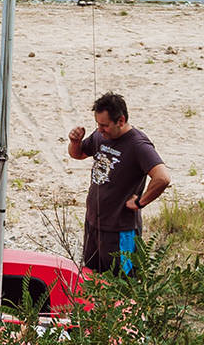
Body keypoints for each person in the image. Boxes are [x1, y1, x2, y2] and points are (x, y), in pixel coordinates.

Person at [66, 92, 171, 275]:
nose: (100, 129)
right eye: (98, 124)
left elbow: (162, 178)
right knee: (91, 278)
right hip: (94, 225)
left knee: (123, 282)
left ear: (120, 120)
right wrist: (75, 142)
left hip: (121, 231)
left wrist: (140, 202)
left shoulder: (138, 145)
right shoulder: (101, 136)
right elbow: (79, 154)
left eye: (104, 125)